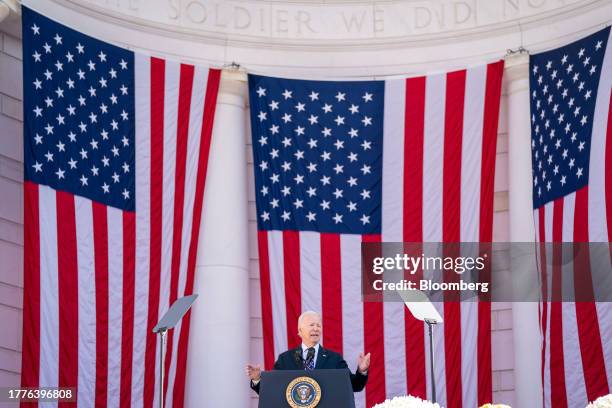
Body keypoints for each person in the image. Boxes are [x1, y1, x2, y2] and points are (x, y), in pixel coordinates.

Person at [246, 310, 371, 394]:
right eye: (311, 325)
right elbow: (272, 390)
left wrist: (362, 371)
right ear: (300, 331)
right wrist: (257, 379)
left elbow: (354, 386)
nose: (316, 328)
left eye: (319, 325)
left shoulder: (334, 359)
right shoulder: (285, 359)